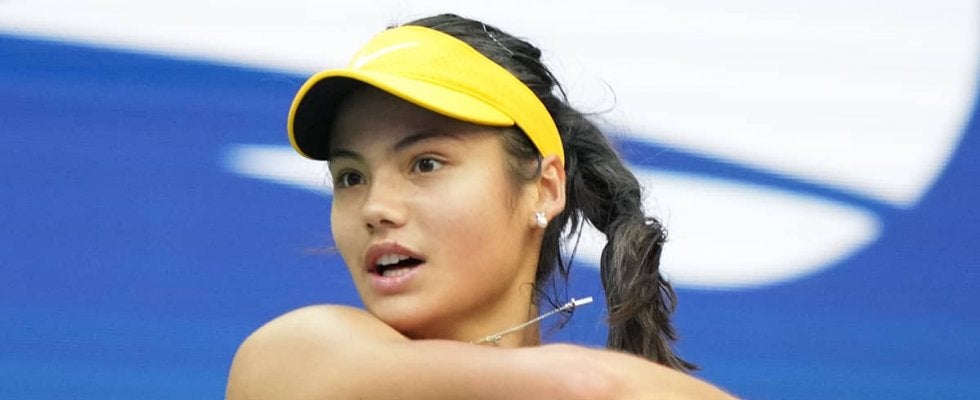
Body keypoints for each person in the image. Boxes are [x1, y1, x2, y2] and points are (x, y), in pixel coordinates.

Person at [226, 13, 735, 399]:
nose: (375, 208)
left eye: (425, 164)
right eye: (350, 177)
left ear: (545, 189)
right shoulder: (294, 358)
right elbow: (585, 384)